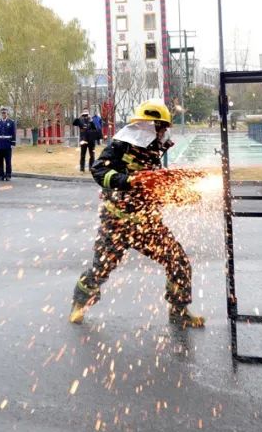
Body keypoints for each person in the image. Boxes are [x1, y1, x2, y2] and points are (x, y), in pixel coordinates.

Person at [69, 100, 205, 329]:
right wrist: (127, 181)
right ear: (149, 125)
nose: (163, 132)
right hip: (116, 223)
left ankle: (179, 311)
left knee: (178, 260)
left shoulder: (153, 148)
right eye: (160, 127)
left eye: (164, 128)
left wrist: (179, 194)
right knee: (100, 268)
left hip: (147, 224)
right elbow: (99, 170)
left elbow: (153, 186)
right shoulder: (121, 144)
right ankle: (79, 305)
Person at [0, 106, 16, 181]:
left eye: (5, 113)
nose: (3, 114)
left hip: (7, 144)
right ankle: (1, 175)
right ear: (1, 113)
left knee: (8, 161)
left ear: (7, 113)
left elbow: (13, 133)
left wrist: (13, 143)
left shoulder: (11, 122)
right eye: (2, 113)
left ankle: (8, 175)